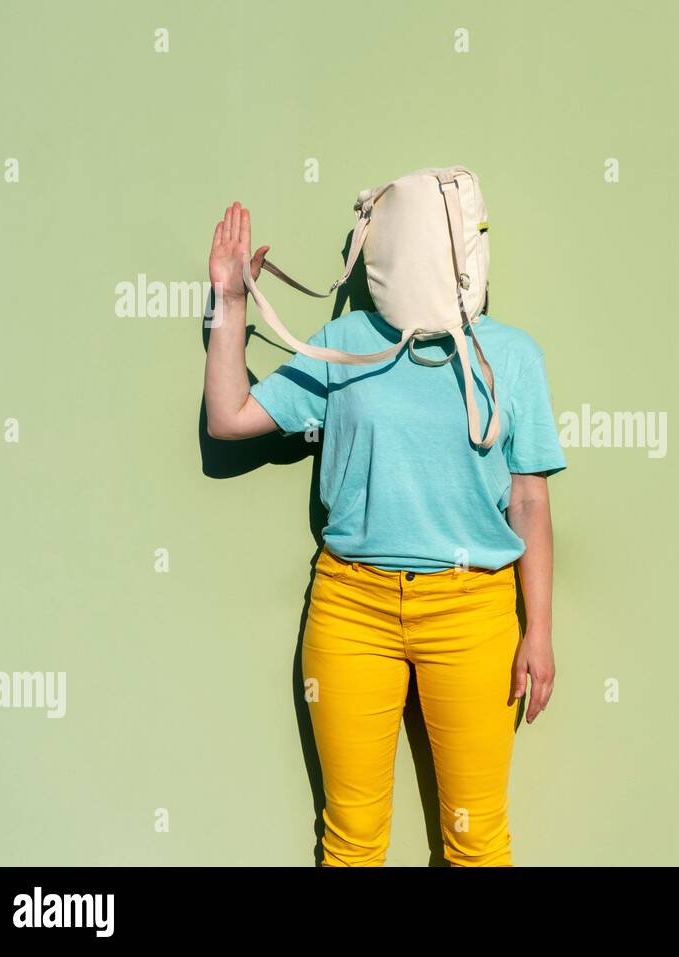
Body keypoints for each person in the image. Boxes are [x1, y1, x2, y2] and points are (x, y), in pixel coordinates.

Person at [203, 201, 565, 866]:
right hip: (351, 606)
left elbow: (530, 500)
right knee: (351, 840)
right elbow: (229, 418)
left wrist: (537, 630)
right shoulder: (346, 342)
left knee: (476, 841)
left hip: (473, 610)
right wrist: (228, 302)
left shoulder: (513, 356)